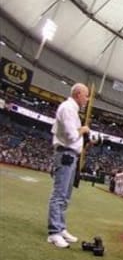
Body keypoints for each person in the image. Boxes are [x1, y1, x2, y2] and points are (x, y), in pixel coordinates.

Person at [47, 83, 90, 248]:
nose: (86, 99)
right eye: (85, 95)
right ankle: (54, 232)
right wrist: (84, 129)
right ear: (78, 94)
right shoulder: (67, 108)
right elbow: (72, 136)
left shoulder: (72, 110)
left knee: (65, 196)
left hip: (70, 155)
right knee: (59, 194)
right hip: (65, 153)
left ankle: (60, 227)